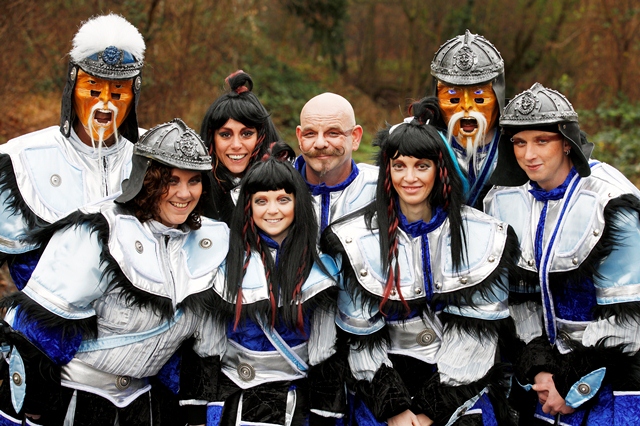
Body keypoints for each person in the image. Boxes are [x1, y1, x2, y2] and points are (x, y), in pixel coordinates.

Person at [0, 119, 228, 425]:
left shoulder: (210, 242)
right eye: (171, 180)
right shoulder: (99, 231)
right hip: (74, 403)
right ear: (146, 179)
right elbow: (38, 334)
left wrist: (198, 415)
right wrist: (31, 413)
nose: (184, 193)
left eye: (194, 181)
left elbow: (200, 351)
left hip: (148, 407)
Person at [322, 99, 518, 425]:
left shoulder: (484, 234)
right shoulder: (353, 237)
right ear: (387, 172)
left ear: (440, 170)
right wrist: (395, 408)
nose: (409, 177)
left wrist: (430, 410)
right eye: (399, 166)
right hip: (381, 384)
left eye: (422, 166)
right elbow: (361, 339)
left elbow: (476, 340)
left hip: (460, 385)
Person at [484, 83, 640, 424]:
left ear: (567, 142)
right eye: (520, 143)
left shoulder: (611, 202)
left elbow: (630, 319)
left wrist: (573, 384)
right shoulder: (503, 201)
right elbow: (517, 299)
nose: (529, 155)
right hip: (539, 380)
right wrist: (538, 368)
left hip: (611, 374)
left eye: (542, 141)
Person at [0, 13, 145, 291]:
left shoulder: (152, 156)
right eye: (92, 89)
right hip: (48, 325)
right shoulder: (22, 159)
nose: (104, 103)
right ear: (72, 85)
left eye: (117, 92)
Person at [207, 153, 342, 425]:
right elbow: (206, 346)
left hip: (297, 401)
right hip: (231, 397)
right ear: (248, 206)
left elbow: (325, 355)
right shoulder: (222, 262)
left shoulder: (321, 269)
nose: (272, 210)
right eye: (261, 201)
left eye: (283, 199)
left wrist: (323, 416)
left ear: (298, 203)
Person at [430, 29, 505, 207]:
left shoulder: (516, 142)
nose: (466, 106)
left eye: (480, 99)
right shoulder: (421, 141)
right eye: (453, 99)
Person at [200, 70, 282, 223]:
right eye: (225, 134)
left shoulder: (288, 186)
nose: (236, 145)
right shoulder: (195, 190)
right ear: (212, 139)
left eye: (246, 134)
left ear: (262, 136)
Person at [295, 92, 378, 236]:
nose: (320, 143)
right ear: (299, 136)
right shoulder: (275, 187)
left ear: (355, 137)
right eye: (310, 134)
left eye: (333, 133)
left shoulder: (381, 188)